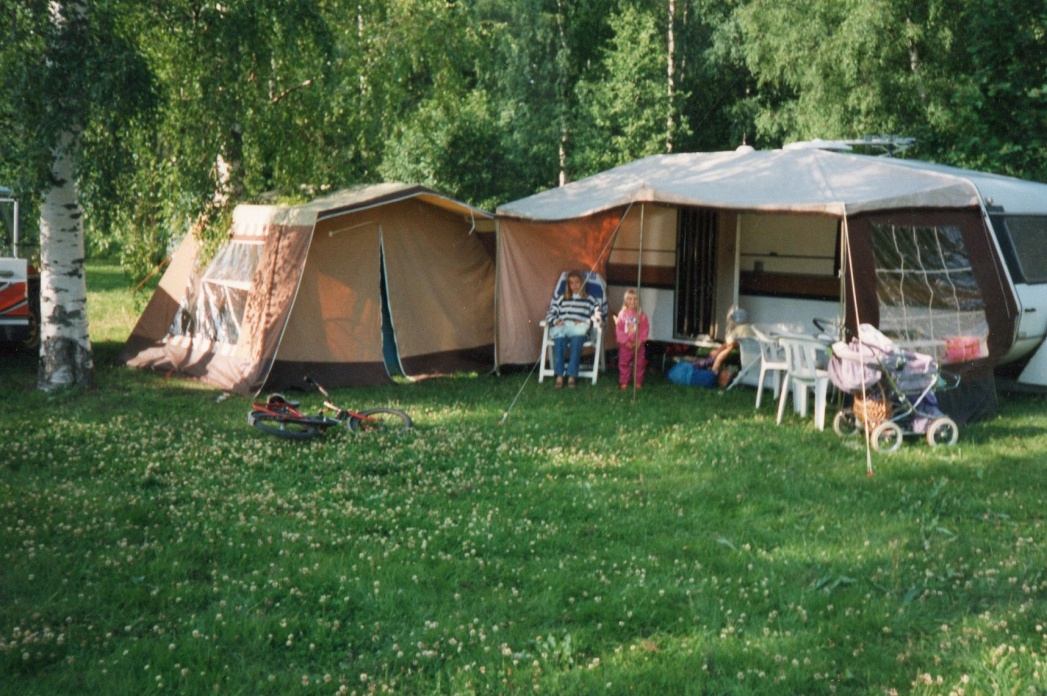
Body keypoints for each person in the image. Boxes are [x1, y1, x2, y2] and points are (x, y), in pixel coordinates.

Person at [546, 270, 602, 388]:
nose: (574, 286)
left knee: (577, 342)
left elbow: (598, 316)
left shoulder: (590, 299)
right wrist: (556, 321)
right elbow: (550, 314)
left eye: (577, 282)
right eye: (571, 283)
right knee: (559, 342)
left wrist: (585, 321)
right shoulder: (562, 298)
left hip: (579, 329)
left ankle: (572, 376)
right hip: (563, 327)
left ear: (582, 283)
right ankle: (560, 375)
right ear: (568, 285)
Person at [614, 288, 649, 390]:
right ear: (625, 301)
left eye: (635, 299)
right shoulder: (622, 314)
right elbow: (619, 330)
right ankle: (624, 381)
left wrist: (639, 341)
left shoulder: (641, 315)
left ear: (639, 301)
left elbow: (644, 329)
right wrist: (625, 341)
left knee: (640, 363)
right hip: (626, 345)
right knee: (624, 363)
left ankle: (638, 381)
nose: (632, 301)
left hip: (639, 344)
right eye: (629, 299)